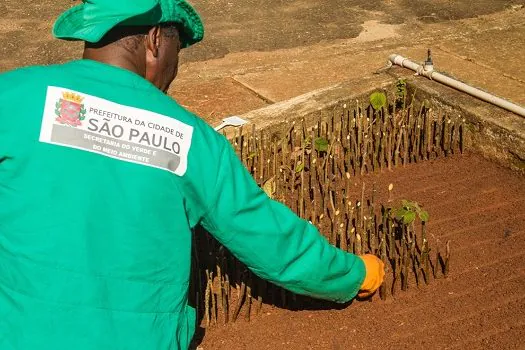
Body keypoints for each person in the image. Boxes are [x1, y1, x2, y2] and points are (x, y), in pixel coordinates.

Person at [0, 0, 385, 349]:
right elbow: (267, 236)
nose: (175, 70)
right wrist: (353, 274)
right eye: (177, 50)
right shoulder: (190, 138)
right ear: (154, 39)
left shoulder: (12, 94)